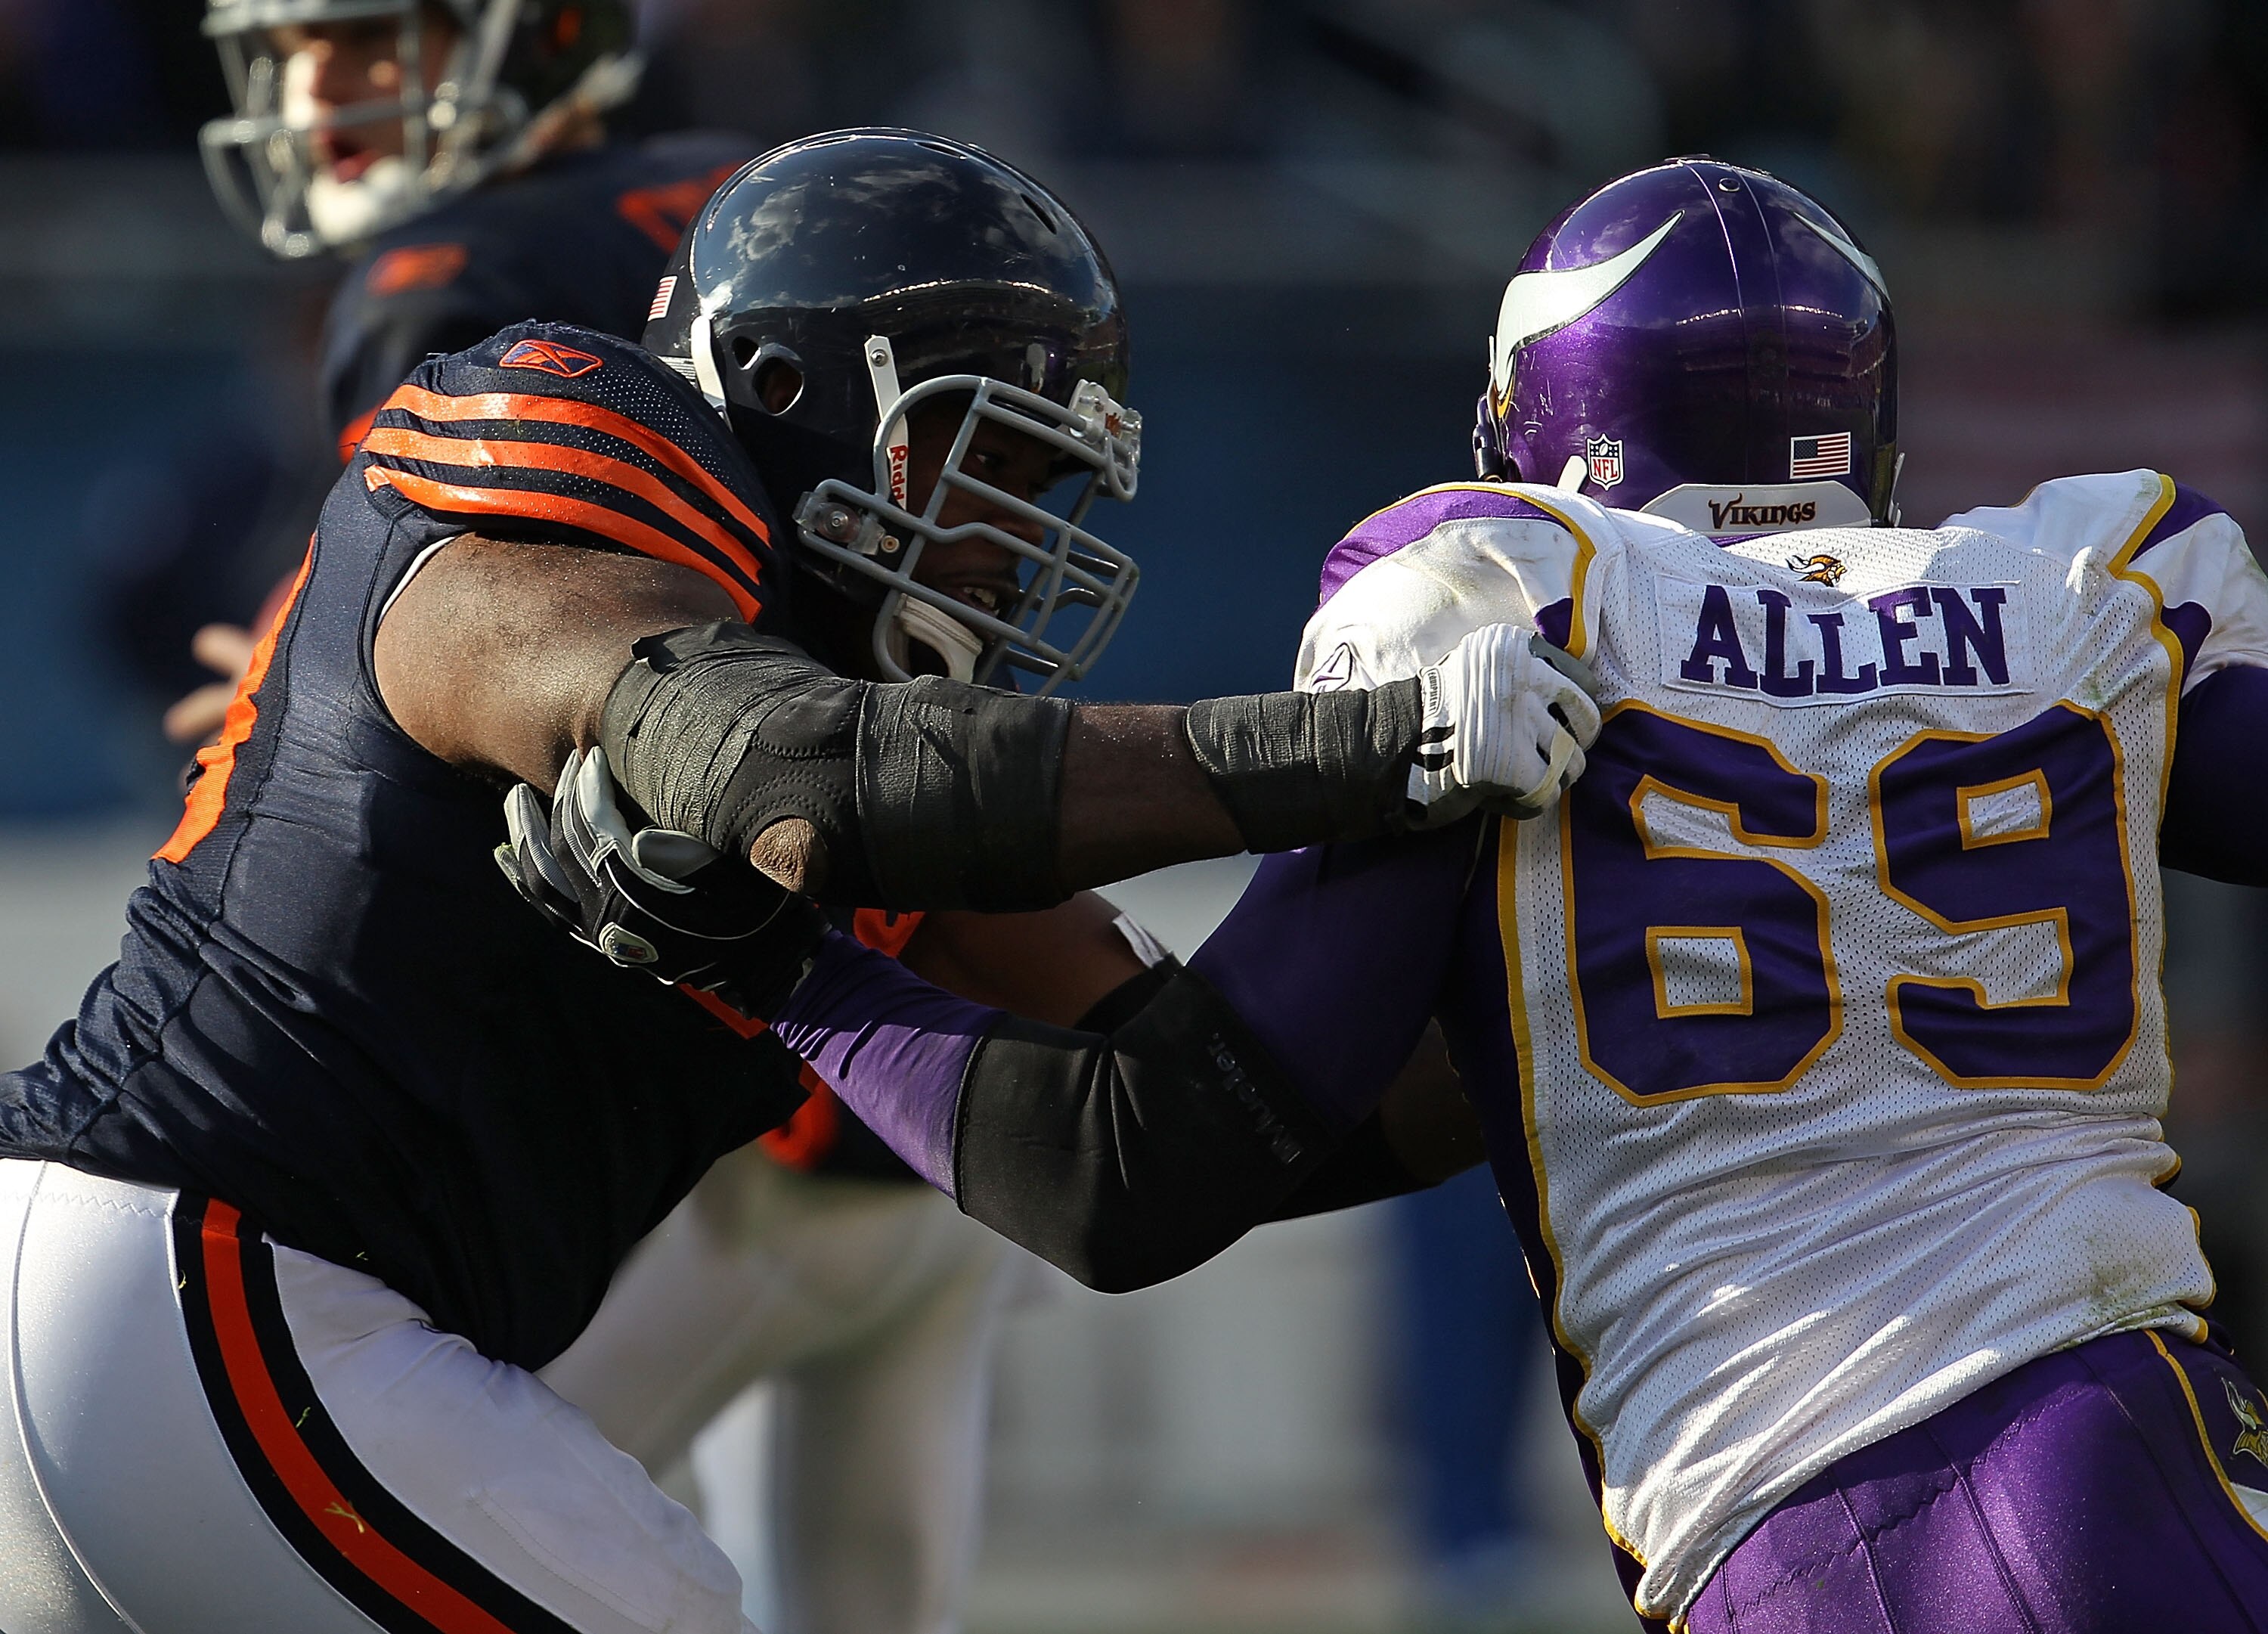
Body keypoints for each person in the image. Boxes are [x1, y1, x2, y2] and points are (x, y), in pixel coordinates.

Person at [510, 158, 2268, 1632]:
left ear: (1545, 423)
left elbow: (1138, 1171)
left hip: (1829, 1514)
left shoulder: (1512, 606)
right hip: (2171, 1426)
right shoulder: (2076, 590)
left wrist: (789, 973)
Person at [0, 129, 1576, 1634]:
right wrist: (1388, 746)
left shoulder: (863, 757)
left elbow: (1153, 1148)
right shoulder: (569, 466)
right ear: (785, 387)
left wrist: (1575, 1018)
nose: (1011, 543)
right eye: (987, 458)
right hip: (187, 1278)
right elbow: (788, 772)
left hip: (229, 1328)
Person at [191, 10, 1093, 1623]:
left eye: (369, 36)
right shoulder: (778, 197)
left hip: (736, 1089)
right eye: (301, 45)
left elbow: (484, 647)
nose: (320, 87)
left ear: (547, 33)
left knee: (417, 1566)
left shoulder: (459, 279)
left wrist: (299, 696)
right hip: (938, 1035)